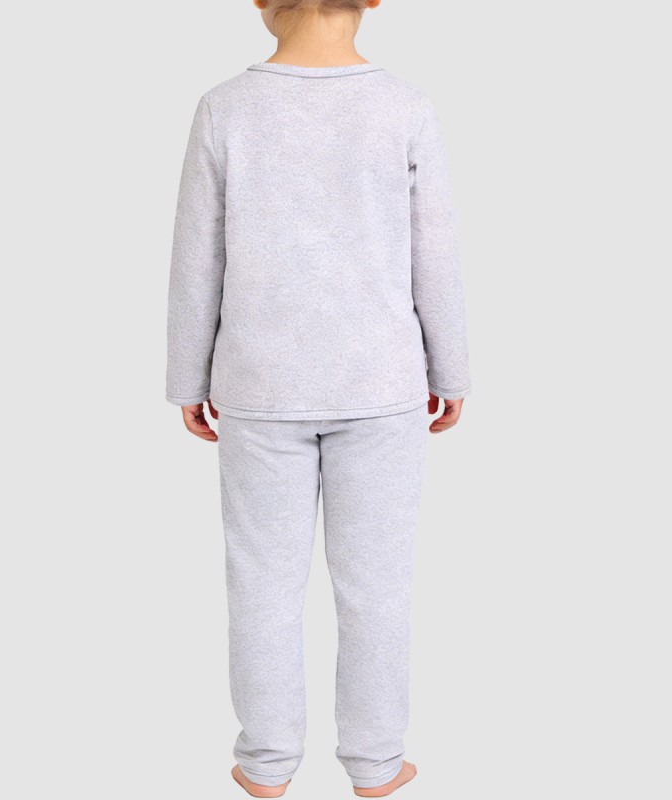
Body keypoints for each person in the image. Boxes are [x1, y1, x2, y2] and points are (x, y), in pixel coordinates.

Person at [165, 0, 471, 796]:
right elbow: (435, 252)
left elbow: (197, 256)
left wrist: (187, 378)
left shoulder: (225, 108)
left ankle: (266, 766)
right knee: (376, 588)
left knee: (261, 585)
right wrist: (451, 371)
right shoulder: (405, 107)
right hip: (382, 388)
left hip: (259, 387)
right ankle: (375, 765)